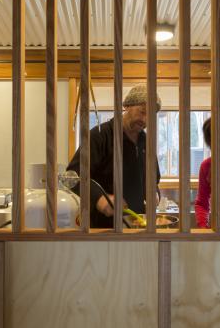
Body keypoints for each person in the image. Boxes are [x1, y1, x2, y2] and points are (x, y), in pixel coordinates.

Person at [66, 85, 161, 228]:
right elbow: (72, 176)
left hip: (137, 226)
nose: (145, 119)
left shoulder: (147, 142)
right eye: (142, 112)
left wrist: (155, 193)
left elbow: (153, 180)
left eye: (150, 116)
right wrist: (99, 198)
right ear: (126, 105)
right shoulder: (99, 135)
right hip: (102, 228)